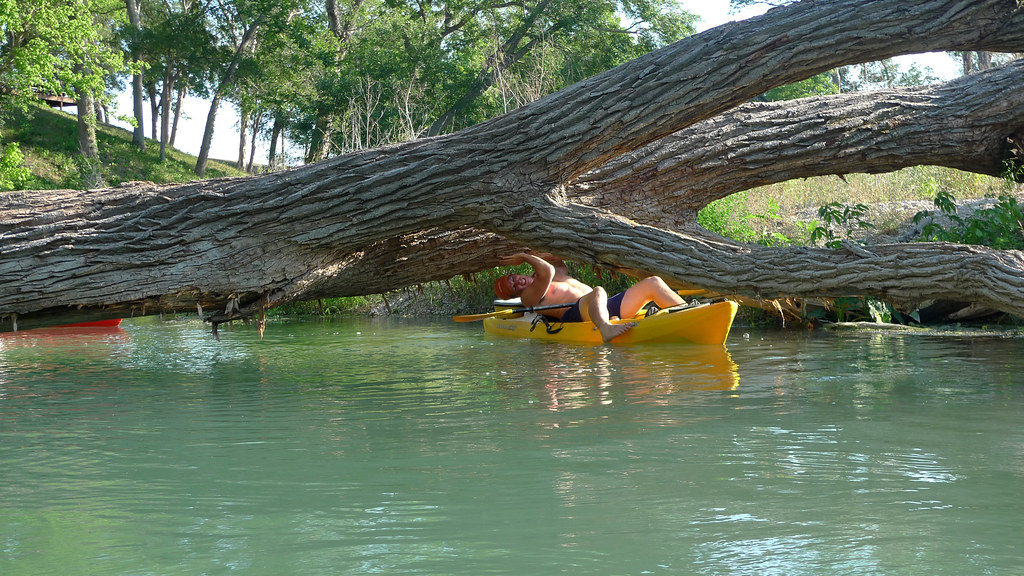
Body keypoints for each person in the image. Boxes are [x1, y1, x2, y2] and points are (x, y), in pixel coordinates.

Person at [493, 252, 685, 342]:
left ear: (515, 273)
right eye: (514, 287)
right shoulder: (529, 297)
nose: (518, 282)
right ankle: (606, 328)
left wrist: (534, 251)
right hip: (577, 314)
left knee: (653, 283)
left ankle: (687, 311)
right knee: (598, 291)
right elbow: (548, 270)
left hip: (603, 305)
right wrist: (525, 256)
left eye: (513, 278)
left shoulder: (556, 273)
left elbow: (554, 257)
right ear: (516, 294)